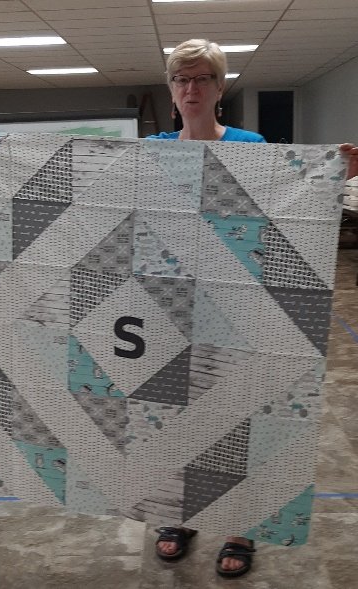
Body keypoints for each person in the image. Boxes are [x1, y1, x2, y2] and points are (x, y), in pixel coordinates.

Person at [147, 38, 358, 579]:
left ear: (219, 88)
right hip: (172, 303)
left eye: (202, 78)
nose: (191, 88)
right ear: (171, 90)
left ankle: (240, 526)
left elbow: (283, 211)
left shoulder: (250, 145)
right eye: (181, 79)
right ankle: (179, 514)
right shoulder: (152, 151)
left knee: (239, 417)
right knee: (172, 417)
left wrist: (333, 177)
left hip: (241, 300)